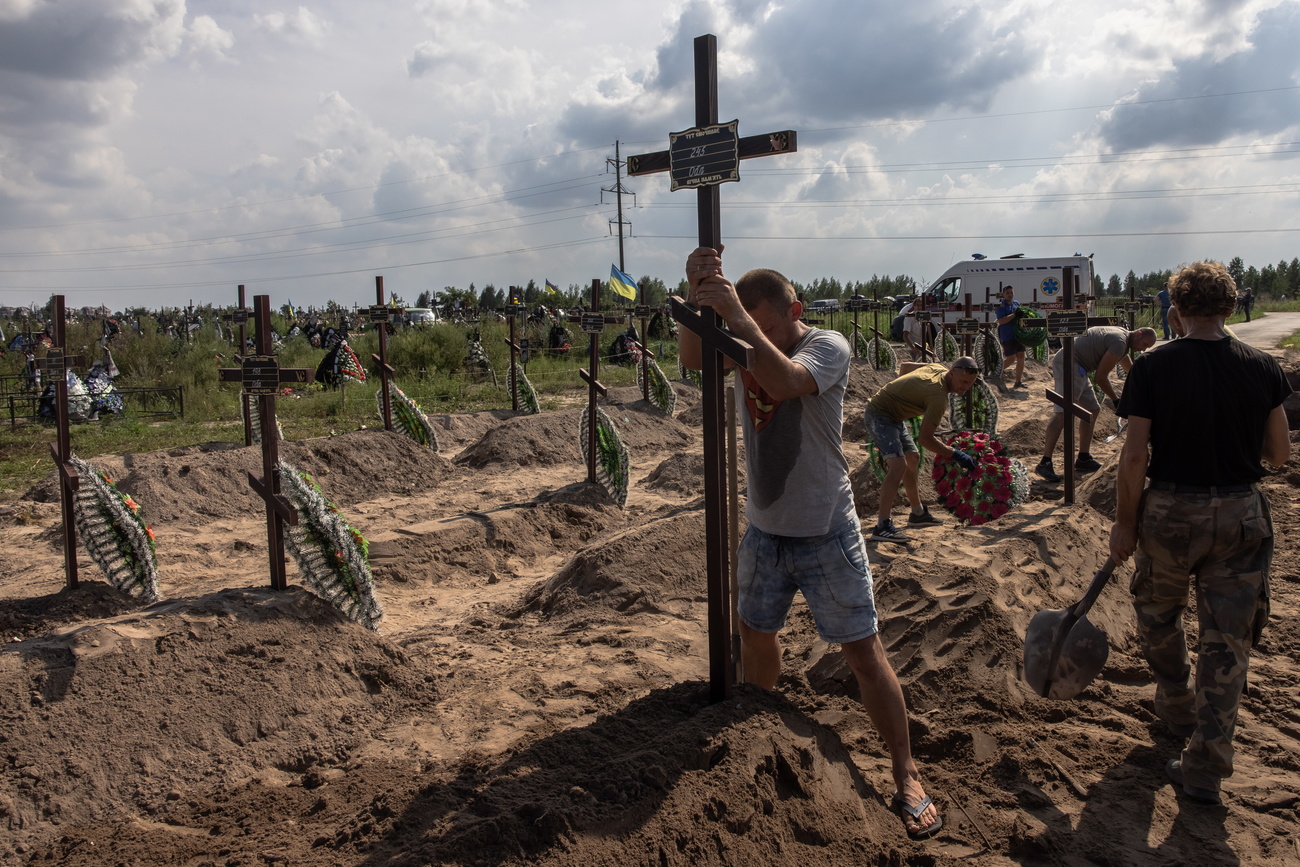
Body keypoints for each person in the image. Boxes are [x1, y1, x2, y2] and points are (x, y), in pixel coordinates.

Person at [680, 245, 944, 840]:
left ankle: (905, 775)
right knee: (755, 635)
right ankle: (758, 724)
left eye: (769, 324)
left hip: (826, 530)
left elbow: (782, 380)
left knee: (862, 653)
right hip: (766, 530)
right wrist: (698, 294)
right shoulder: (743, 338)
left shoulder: (826, 347)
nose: (757, 336)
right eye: (750, 325)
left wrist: (740, 324)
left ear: (794, 308)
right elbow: (697, 360)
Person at [1109, 261, 1290, 806]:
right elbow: (1279, 455)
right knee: (1228, 641)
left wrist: (1125, 521)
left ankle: (1175, 698)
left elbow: (1134, 454)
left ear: (1176, 309)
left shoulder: (1153, 367)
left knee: (1157, 615)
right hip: (1241, 515)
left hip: (1170, 515)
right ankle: (1207, 767)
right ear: (1231, 308)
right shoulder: (1262, 367)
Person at [864, 358, 980, 542]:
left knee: (913, 458)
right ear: (952, 373)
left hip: (895, 416)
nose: (966, 387)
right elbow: (926, 439)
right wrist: (956, 454)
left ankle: (917, 513)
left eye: (970, 384)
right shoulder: (938, 397)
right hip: (879, 414)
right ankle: (882, 525)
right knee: (898, 466)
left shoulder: (937, 368)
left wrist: (905, 396)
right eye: (963, 382)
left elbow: (904, 367)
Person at [1036, 325, 1158, 481]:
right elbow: (1100, 377)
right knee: (1064, 412)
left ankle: (1083, 458)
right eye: (1145, 344)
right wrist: (1116, 400)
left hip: (1080, 368)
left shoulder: (1123, 337)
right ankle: (1045, 462)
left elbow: (1125, 362)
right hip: (1069, 363)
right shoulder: (1120, 342)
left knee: (1092, 410)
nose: (1143, 349)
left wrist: (1141, 381)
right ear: (1139, 334)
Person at [993, 286, 1027, 388]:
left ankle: (1018, 381)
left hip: (1018, 335)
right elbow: (1001, 321)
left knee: (1021, 357)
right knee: (1011, 359)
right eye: (1007, 293)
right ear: (1003, 294)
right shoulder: (1000, 306)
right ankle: (995, 372)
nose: (1009, 294)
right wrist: (1014, 315)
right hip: (1007, 335)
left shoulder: (1016, 304)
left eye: (1011, 292)